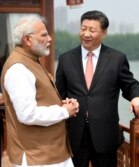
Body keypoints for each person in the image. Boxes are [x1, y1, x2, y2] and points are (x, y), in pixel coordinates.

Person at [55, 10, 139, 167]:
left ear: (104, 33)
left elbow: (130, 84)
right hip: (74, 135)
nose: (86, 34)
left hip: (105, 135)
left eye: (92, 30)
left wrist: (137, 97)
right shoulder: (65, 59)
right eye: (83, 28)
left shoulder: (116, 59)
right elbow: (58, 95)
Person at [0, 15, 79, 167]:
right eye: (44, 35)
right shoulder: (18, 68)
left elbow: (39, 99)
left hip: (50, 154)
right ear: (27, 40)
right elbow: (27, 114)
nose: (50, 39)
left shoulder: (31, 61)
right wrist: (64, 111)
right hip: (37, 158)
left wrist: (63, 104)